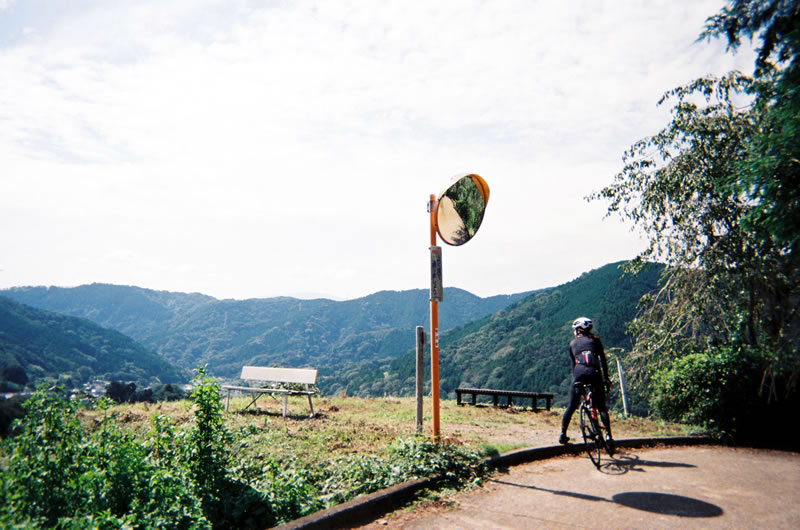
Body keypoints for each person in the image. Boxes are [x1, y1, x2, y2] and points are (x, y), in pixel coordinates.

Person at [559, 317, 614, 452]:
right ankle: (608, 436)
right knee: (601, 407)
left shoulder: (572, 344)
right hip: (595, 372)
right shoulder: (595, 340)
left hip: (579, 373)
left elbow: (574, 365)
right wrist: (606, 378)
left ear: (578, 330)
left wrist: (576, 381)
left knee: (572, 406)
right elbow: (603, 360)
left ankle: (563, 435)